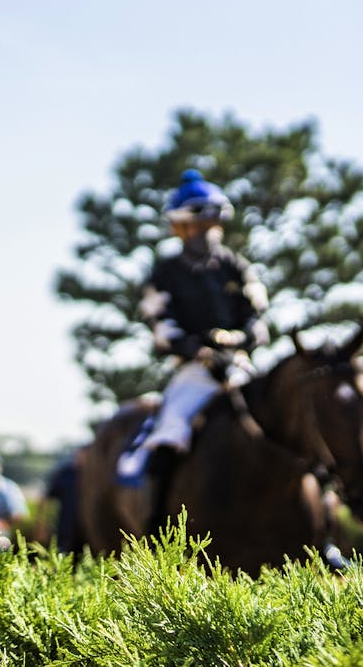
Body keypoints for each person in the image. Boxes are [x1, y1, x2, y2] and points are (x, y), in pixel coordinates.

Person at [118, 171, 269, 521]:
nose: (208, 231)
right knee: (170, 431)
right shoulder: (165, 272)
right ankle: (157, 525)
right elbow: (161, 325)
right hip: (193, 372)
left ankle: (323, 535)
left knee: (290, 427)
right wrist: (196, 350)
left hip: (241, 366)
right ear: (180, 228)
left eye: (213, 223)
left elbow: (259, 318)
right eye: (200, 225)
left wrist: (238, 340)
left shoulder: (236, 266)